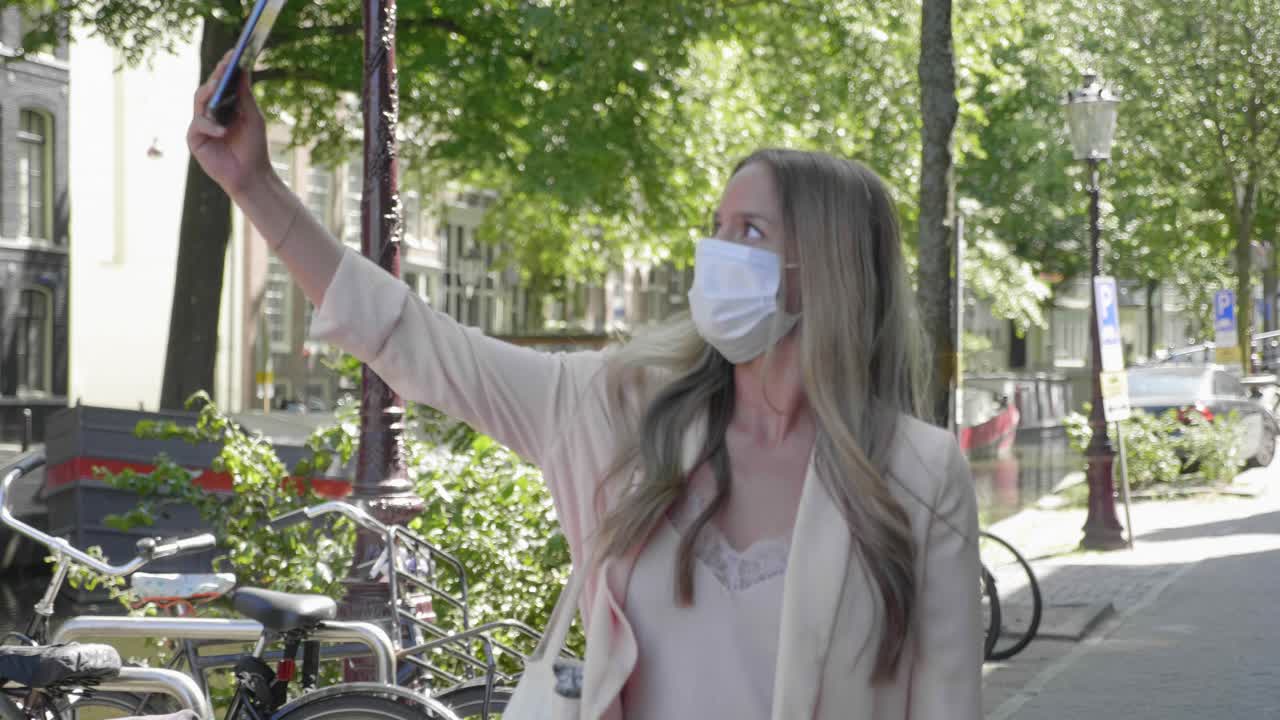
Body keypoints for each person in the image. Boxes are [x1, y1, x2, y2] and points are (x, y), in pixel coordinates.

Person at [188, 52, 981, 720]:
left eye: (750, 231)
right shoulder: (617, 409)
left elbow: (946, 699)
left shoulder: (918, 472)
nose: (717, 253)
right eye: (716, 227)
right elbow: (417, 343)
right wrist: (255, 185)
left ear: (831, 266)